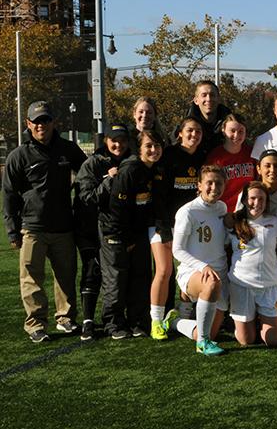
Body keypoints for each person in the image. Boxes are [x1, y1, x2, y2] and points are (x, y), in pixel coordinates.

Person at [4, 101, 86, 342]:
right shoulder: (18, 155)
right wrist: (12, 231)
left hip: (63, 226)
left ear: (53, 122)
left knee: (66, 275)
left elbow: (86, 171)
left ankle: (66, 318)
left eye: (45, 120)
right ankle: (36, 324)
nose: (42, 125)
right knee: (31, 279)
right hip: (32, 228)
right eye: (36, 121)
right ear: (28, 124)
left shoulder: (67, 149)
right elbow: (9, 195)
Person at [99, 129, 163, 339]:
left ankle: (137, 321)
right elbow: (117, 207)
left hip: (138, 232)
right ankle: (113, 324)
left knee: (141, 277)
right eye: (148, 146)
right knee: (117, 279)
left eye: (156, 146)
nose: (153, 150)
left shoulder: (153, 169)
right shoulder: (130, 169)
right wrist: (125, 238)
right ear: (139, 149)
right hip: (116, 232)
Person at [73, 124, 131, 340]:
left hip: (117, 228)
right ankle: (89, 321)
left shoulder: (131, 162)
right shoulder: (93, 164)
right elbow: (86, 198)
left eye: (123, 140)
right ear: (106, 141)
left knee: (116, 275)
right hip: (89, 227)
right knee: (92, 271)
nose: (118, 144)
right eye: (114, 140)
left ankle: (118, 319)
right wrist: (109, 180)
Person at [152, 117, 206, 327]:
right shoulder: (169, 156)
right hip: (166, 223)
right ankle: (156, 320)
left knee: (191, 268)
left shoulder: (203, 156)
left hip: (194, 224)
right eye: (190, 131)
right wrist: (164, 225)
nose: (194, 135)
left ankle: (183, 313)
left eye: (198, 131)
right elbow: (158, 195)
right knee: (165, 270)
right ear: (180, 133)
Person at [169, 165, 229, 356]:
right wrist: (203, 266)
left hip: (221, 272)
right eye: (209, 183)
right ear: (199, 185)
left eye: (218, 183)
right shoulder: (187, 212)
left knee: (209, 331)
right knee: (211, 283)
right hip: (193, 272)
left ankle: (174, 322)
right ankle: (202, 344)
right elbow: (177, 249)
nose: (214, 187)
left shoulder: (222, 207)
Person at [229, 182, 277, 347]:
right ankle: (245, 323)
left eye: (261, 199)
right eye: (253, 198)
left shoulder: (274, 222)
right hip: (241, 285)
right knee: (246, 340)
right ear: (245, 200)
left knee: (273, 340)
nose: (257, 203)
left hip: (270, 285)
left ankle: (263, 319)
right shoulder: (233, 223)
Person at [204, 113, 255, 211]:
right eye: (232, 131)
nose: (236, 135)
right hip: (222, 211)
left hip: (246, 210)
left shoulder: (251, 153)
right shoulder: (215, 156)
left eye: (241, 131)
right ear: (223, 130)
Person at [237, 149, 277, 213]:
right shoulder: (249, 192)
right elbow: (238, 218)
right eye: (267, 166)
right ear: (259, 169)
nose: (272, 170)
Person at [186, 80, 230, 152]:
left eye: (212, 95)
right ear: (196, 100)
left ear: (218, 99)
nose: (208, 99)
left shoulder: (232, 124)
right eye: (204, 95)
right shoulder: (185, 128)